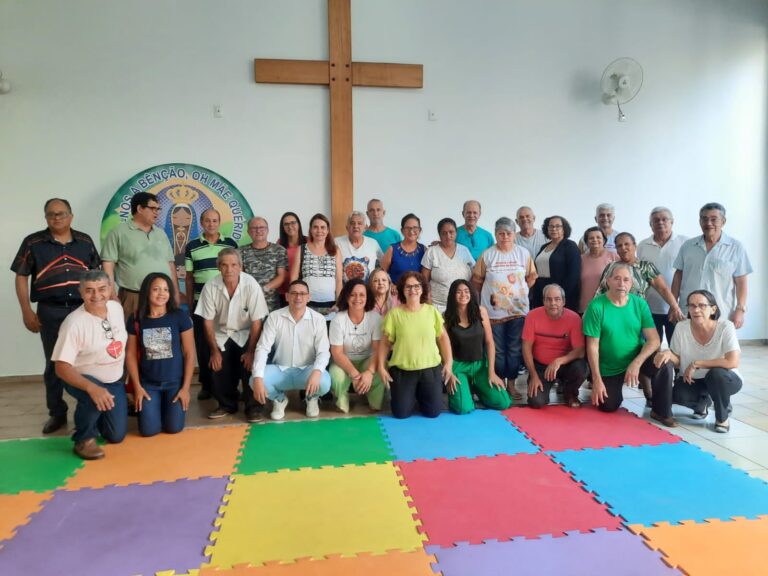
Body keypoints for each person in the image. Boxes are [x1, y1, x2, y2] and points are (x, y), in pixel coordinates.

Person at [12, 198, 101, 434]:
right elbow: (21, 276)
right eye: (51, 214)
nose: (56, 218)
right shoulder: (33, 243)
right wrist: (25, 310)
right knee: (55, 363)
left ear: (71, 216)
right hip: (50, 311)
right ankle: (57, 412)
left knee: (89, 360)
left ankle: (92, 408)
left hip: (83, 310)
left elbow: (97, 274)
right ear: (45, 218)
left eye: (61, 214)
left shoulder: (85, 241)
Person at [582, 263, 675, 426]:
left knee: (664, 364)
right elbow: (592, 347)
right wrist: (596, 380)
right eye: (617, 278)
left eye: (626, 280)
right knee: (607, 405)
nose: (621, 283)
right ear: (608, 281)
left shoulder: (639, 304)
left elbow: (654, 340)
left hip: (635, 359)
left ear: (631, 284)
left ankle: (661, 411)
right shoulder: (596, 306)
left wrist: (636, 363)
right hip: (609, 366)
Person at [52, 271, 127, 460]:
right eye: (89, 291)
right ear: (81, 292)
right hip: (83, 379)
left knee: (116, 435)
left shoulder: (116, 308)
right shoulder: (74, 323)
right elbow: (61, 368)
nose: (96, 296)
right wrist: (92, 388)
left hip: (115, 380)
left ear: (110, 289)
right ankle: (83, 439)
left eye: (102, 289)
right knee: (93, 396)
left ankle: (98, 411)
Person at [196, 248, 269, 422]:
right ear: (218, 267)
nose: (229, 269)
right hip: (221, 332)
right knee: (217, 363)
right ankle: (226, 404)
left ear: (240, 267)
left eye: (233, 265)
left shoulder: (251, 285)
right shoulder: (211, 286)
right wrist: (214, 352)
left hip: (246, 333)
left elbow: (257, 322)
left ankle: (254, 407)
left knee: (252, 362)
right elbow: (206, 322)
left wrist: (251, 352)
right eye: (224, 265)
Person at [654, 290, 742, 433]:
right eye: (692, 306)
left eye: (702, 306)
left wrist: (697, 364)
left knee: (716, 374)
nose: (696, 310)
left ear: (713, 309)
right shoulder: (681, 327)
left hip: (724, 379)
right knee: (678, 395)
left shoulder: (725, 327)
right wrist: (667, 354)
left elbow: (732, 362)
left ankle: (722, 418)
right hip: (694, 380)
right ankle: (702, 404)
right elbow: (677, 360)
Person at [471, 217, 537, 400]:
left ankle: (512, 384)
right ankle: (498, 382)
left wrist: (519, 293)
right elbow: (477, 280)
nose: (505, 237)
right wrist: (495, 296)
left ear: (514, 234)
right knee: (498, 350)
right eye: (501, 233)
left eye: (508, 233)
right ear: (496, 234)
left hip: (518, 311)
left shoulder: (523, 253)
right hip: (493, 313)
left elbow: (531, 277)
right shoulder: (487, 254)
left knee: (515, 348)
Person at [251, 279, 332, 420]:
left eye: (302, 293)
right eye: (294, 293)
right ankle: (279, 399)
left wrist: (317, 372)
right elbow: (262, 348)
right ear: (287, 296)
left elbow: (323, 351)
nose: (298, 297)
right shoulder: (274, 317)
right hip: (280, 370)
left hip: (306, 371)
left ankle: (311, 398)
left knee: (324, 381)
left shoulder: (318, 319)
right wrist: (258, 377)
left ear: (308, 297)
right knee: (254, 380)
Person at [379, 272, 455, 418]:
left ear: (422, 289)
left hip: (430, 369)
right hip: (402, 370)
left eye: (416, 286)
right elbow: (385, 344)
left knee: (433, 413)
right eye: (408, 287)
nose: (412, 290)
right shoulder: (394, 314)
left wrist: (449, 363)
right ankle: (410, 395)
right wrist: (381, 367)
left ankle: (419, 395)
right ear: (402, 290)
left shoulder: (432, 311)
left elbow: (443, 338)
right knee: (401, 414)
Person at [126, 273, 194, 437]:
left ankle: (164, 408)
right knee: (149, 431)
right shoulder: (136, 318)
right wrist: (137, 387)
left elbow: (189, 352)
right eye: (156, 289)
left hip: (175, 384)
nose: (161, 293)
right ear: (147, 292)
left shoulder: (179, 316)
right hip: (148, 385)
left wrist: (185, 389)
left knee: (174, 428)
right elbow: (130, 355)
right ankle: (155, 409)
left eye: (165, 289)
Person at [184, 208, 238, 401]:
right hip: (201, 303)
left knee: (229, 344)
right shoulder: (192, 246)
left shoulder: (230, 243)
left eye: (215, 220)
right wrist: (190, 304)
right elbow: (189, 278)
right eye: (207, 221)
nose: (211, 224)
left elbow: (237, 271)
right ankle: (207, 386)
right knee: (205, 345)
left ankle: (231, 385)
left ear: (219, 222)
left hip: (227, 303)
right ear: (201, 222)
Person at [672, 202, 752, 329]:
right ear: (700, 222)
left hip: (721, 311)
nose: (708, 223)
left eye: (714, 219)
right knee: (687, 346)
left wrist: (740, 310)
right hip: (689, 310)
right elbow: (678, 276)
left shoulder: (736, 247)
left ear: (723, 221)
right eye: (704, 219)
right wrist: (673, 305)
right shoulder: (688, 246)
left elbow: (741, 282)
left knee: (720, 346)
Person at [102, 192, 180, 318]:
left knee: (161, 336)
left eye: (158, 209)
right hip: (133, 297)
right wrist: (112, 294)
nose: (157, 212)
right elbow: (108, 265)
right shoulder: (118, 232)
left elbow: (170, 265)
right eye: (153, 208)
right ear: (139, 209)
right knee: (132, 334)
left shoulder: (161, 234)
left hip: (163, 298)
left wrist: (175, 293)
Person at [443, 279, 511, 414]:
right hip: (458, 367)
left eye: (466, 291)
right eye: (458, 292)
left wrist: (491, 372)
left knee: (503, 402)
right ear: (452, 295)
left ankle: (477, 390)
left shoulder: (481, 312)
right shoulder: (446, 317)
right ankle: (464, 393)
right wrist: (449, 373)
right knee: (464, 408)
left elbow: (490, 342)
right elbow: (443, 347)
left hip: (480, 366)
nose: (463, 295)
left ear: (472, 293)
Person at [523, 284, 587, 408]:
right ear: (543, 301)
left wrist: (559, 361)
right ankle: (535, 381)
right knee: (536, 402)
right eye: (549, 299)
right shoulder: (532, 316)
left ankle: (570, 393)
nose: (553, 303)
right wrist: (534, 375)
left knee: (581, 368)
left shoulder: (574, 318)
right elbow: (526, 348)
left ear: (563, 301)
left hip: (564, 365)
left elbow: (580, 351)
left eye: (557, 299)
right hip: (540, 367)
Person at [328, 279, 385, 413]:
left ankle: (373, 401)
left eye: (362, 295)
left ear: (367, 297)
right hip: (344, 361)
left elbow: (377, 350)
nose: (357, 299)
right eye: (353, 294)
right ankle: (342, 400)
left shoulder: (375, 318)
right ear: (346, 296)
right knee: (336, 375)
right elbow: (337, 353)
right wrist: (354, 374)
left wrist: (369, 372)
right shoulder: (337, 320)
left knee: (380, 370)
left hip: (367, 360)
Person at [596, 233, 683, 318]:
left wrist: (675, 307)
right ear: (617, 249)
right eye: (619, 246)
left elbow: (663, 289)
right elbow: (600, 291)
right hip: (611, 316)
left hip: (636, 317)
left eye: (627, 244)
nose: (623, 248)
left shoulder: (645, 267)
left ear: (635, 246)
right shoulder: (611, 267)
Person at [637, 207, 688, 344]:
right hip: (650, 307)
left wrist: (675, 304)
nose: (660, 222)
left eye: (664, 219)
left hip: (676, 307)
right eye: (656, 220)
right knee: (653, 347)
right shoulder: (642, 245)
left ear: (672, 222)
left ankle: (679, 367)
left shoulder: (685, 243)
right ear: (650, 225)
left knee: (678, 346)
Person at [290, 213, 342, 319]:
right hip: (306, 305)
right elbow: (293, 279)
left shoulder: (335, 250)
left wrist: (339, 302)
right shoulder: (302, 249)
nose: (319, 231)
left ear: (328, 231)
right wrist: (294, 299)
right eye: (315, 227)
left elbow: (339, 280)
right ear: (310, 230)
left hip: (330, 306)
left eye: (323, 227)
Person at [421, 218, 475, 313]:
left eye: (451, 232)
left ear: (456, 233)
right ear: (439, 234)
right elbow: (424, 281)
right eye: (444, 233)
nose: (448, 236)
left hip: (463, 306)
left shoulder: (464, 250)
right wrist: (429, 304)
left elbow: (474, 275)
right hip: (438, 307)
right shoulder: (432, 252)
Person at [530, 216, 581, 312]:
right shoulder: (544, 247)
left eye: (558, 226)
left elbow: (573, 275)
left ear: (564, 229)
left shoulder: (570, 246)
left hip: (560, 295)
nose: (554, 229)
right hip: (541, 292)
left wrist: (560, 296)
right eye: (551, 226)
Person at [240, 216, 288, 312]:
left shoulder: (279, 250)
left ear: (267, 230)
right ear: (248, 232)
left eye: (262, 227)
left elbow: (282, 276)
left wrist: (264, 289)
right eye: (254, 228)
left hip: (272, 306)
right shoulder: (240, 252)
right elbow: (239, 277)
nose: (258, 231)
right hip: (248, 305)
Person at [579, 226, 619, 314]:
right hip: (585, 307)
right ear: (586, 242)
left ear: (604, 240)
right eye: (591, 238)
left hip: (609, 306)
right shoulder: (580, 259)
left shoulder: (614, 257)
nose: (595, 240)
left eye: (598, 237)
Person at [380, 213, 427, 285]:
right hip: (395, 293)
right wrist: (391, 285)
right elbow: (382, 273)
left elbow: (426, 278)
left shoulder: (424, 250)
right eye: (408, 228)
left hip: (416, 293)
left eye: (415, 228)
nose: (411, 231)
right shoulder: (392, 249)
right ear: (402, 231)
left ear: (419, 230)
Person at [335, 211, 382, 282]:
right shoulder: (337, 242)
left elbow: (384, 263)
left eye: (359, 223)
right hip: (344, 291)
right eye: (352, 223)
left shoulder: (373, 243)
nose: (356, 226)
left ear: (365, 227)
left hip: (367, 290)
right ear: (347, 227)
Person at [276, 211, 307, 305]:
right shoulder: (279, 243)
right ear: (283, 227)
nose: (290, 226)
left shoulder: (308, 241)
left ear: (299, 224)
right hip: (284, 291)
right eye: (286, 224)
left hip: (302, 291)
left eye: (293, 223)